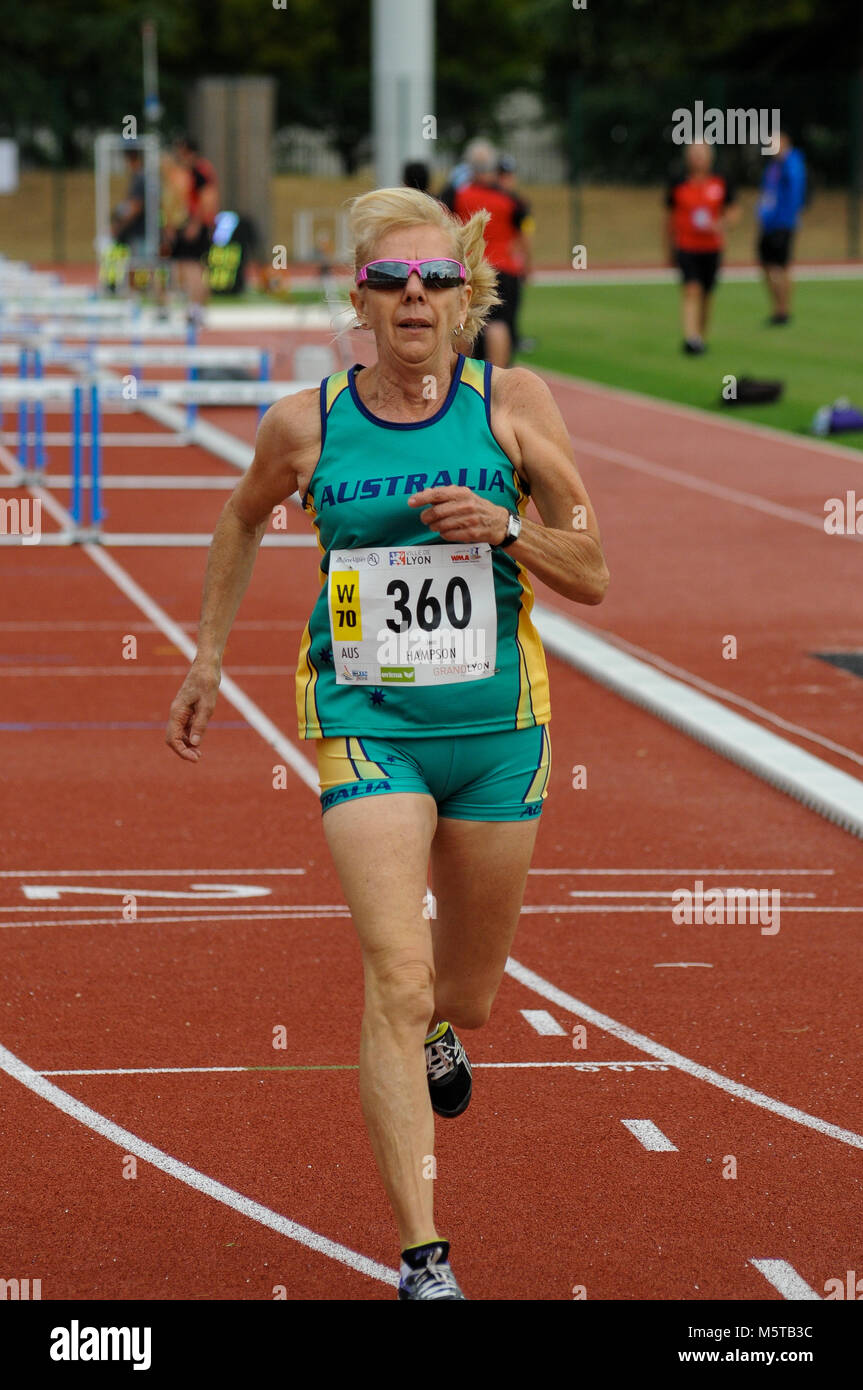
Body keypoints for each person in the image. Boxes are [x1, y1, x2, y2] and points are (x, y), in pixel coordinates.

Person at [165, 186, 609, 1300]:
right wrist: (207, 657)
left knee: (464, 994)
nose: (412, 297)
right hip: (366, 726)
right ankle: (422, 1255)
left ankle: (442, 1032)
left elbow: (592, 565)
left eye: (433, 279)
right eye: (387, 280)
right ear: (357, 298)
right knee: (394, 975)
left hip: (501, 730)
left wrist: (507, 526)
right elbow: (241, 515)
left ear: (467, 296)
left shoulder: (512, 404)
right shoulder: (305, 423)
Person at [440, 140, 531, 367]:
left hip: (471, 267)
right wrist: (527, 265)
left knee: (463, 322)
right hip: (505, 268)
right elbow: (523, 236)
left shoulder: (457, 194)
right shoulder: (511, 200)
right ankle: (497, 381)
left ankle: (462, 376)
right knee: (499, 323)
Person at [665, 142, 739, 354]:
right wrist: (668, 246)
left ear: (709, 158)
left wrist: (723, 225)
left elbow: (733, 211)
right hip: (687, 246)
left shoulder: (721, 182)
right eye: (694, 154)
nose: (697, 158)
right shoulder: (678, 183)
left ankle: (700, 337)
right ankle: (690, 337)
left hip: (712, 247)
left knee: (706, 294)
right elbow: (668, 216)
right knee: (691, 290)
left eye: (701, 154)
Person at [757, 131, 806, 325]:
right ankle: (777, 308)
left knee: (783, 265)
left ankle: (784, 310)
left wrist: (789, 218)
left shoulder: (791, 164)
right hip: (768, 224)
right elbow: (767, 193)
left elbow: (795, 194)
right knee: (767, 264)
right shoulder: (772, 167)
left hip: (783, 224)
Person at [168, 134, 219, 321]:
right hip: (190, 223)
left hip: (195, 224)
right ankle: (195, 307)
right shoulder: (189, 171)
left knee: (193, 267)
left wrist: (196, 224)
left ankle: (197, 309)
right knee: (187, 266)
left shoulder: (200, 171)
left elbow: (207, 199)